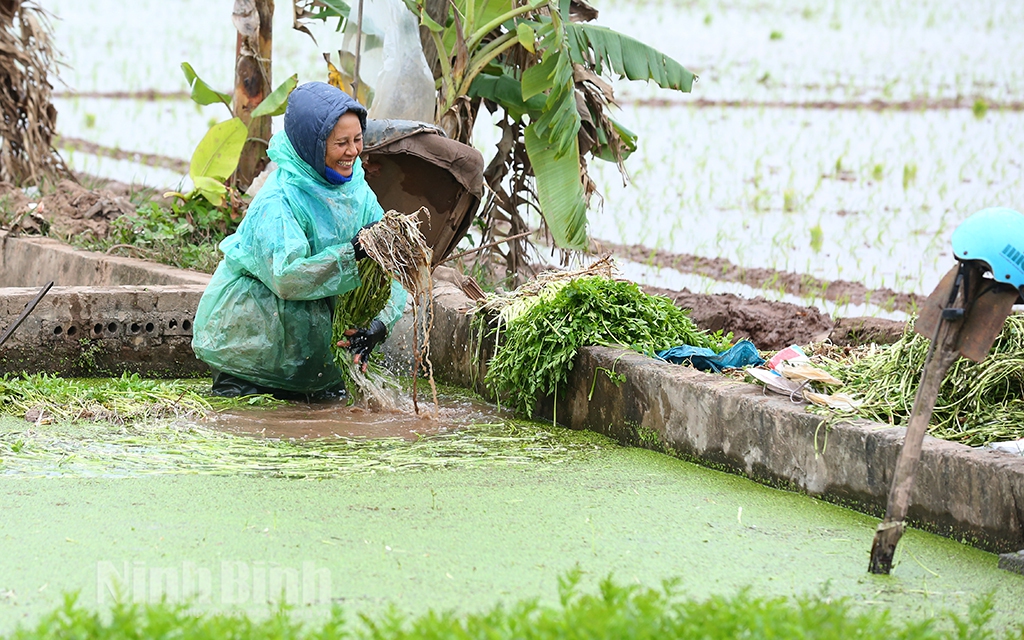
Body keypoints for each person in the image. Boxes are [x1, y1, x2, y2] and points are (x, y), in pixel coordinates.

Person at [191, 82, 408, 399]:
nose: (353, 151)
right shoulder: (279, 202)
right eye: (341, 143)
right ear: (313, 145)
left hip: (318, 363)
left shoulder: (357, 193)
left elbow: (391, 271)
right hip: (252, 355)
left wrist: (377, 326)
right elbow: (288, 278)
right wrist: (353, 253)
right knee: (247, 429)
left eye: (357, 140)